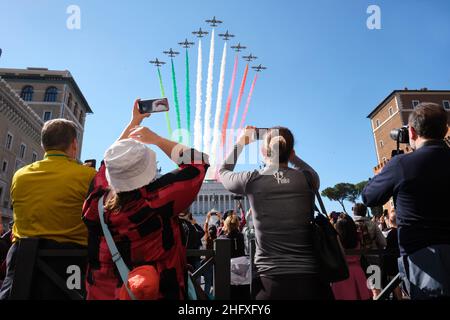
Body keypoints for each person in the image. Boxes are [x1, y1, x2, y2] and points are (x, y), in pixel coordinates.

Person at [82, 99, 209, 300]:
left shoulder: (93, 205)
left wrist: (133, 123)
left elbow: (109, 164)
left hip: (103, 294)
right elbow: (199, 161)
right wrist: (157, 139)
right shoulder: (156, 201)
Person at [219, 126, 334, 300]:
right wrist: (291, 156)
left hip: (270, 284)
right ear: (290, 151)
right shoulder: (307, 179)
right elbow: (313, 173)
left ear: (264, 151)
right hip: (312, 282)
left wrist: (242, 142)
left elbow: (223, 172)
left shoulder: (252, 179)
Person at [0, 119, 96, 300]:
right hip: (71, 265)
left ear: (43, 144)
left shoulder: (20, 175)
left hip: (22, 266)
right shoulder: (88, 175)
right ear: (74, 144)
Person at [362, 102, 450, 299]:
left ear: (411, 131)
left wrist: (388, 169)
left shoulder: (401, 165)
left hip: (423, 260)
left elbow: (369, 197)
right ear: (445, 129)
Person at [331, 214, 372, 300]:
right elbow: (368, 247)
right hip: (358, 272)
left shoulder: (336, 239)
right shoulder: (358, 236)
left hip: (342, 275)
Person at [382, 208, 402, 300]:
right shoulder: (400, 232)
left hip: (387, 260)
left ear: (389, 220)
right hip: (397, 259)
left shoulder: (384, 232)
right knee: (396, 281)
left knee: (392, 281)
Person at [203, 211, 219, 296]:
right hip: (215, 263)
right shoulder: (217, 238)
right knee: (215, 281)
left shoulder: (207, 239)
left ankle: (206, 296)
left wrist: (207, 218)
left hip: (207, 263)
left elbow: (205, 229)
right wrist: (220, 218)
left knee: (207, 282)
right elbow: (222, 228)